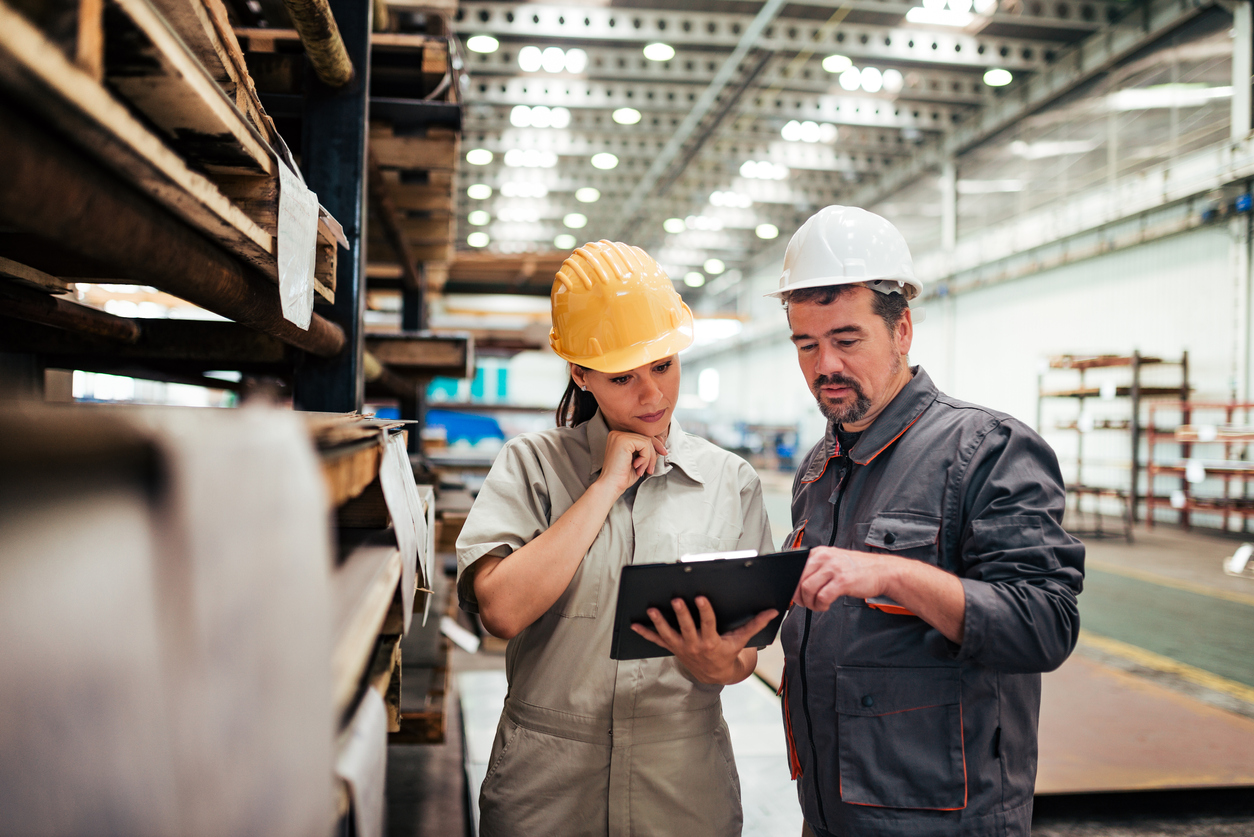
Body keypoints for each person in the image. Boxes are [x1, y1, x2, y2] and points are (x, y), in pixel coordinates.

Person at [771, 206, 1085, 837]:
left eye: (846, 339)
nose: (824, 364)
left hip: (946, 821)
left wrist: (893, 575)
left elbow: (1044, 626)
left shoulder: (988, 449)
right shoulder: (819, 466)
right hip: (830, 816)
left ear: (903, 328)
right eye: (806, 344)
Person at [456, 240, 778, 837]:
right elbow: (501, 610)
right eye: (623, 376)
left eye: (664, 365)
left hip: (683, 782)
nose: (652, 395)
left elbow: (748, 650)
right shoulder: (531, 467)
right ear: (580, 372)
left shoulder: (729, 481)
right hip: (547, 784)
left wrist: (719, 664)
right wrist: (604, 487)